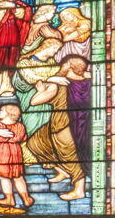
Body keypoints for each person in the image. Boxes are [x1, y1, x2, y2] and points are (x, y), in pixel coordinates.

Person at [25, 54, 92, 202]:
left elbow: (34, 101)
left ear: (68, 66)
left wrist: (41, 89)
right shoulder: (89, 82)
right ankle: (62, 171)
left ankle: (79, 190)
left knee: (71, 158)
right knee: (35, 143)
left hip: (63, 127)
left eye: (65, 64)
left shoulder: (59, 84)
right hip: (82, 124)